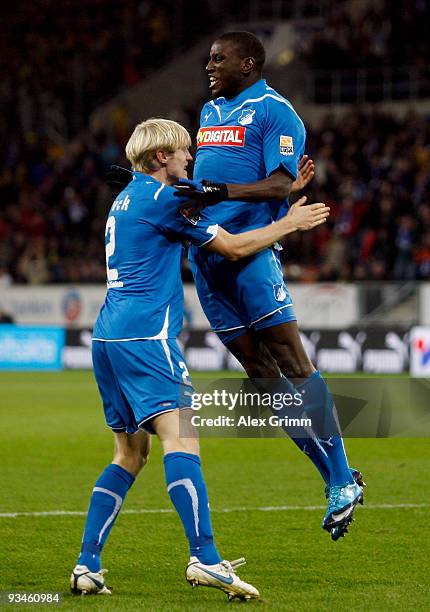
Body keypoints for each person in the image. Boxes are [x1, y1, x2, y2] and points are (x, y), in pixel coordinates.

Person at [70, 118, 330, 599]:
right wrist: (288, 221)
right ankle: (206, 559)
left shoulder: (127, 198)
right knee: (182, 441)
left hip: (108, 337)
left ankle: (87, 565)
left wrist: (281, 189)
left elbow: (202, 196)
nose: (193, 158)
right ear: (162, 157)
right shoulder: (165, 201)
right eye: (185, 151)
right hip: (148, 337)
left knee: (130, 454)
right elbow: (231, 247)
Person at [184, 31, 365, 540]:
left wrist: (220, 190)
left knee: (293, 363)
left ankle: (339, 478)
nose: (210, 66)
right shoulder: (209, 113)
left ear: (249, 62)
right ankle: (338, 479)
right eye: (208, 58)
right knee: (263, 379)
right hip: (207, 259)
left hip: (252, 254)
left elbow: (281, 183)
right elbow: (205, 182)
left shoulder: (275, 111)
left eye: (219, 59)